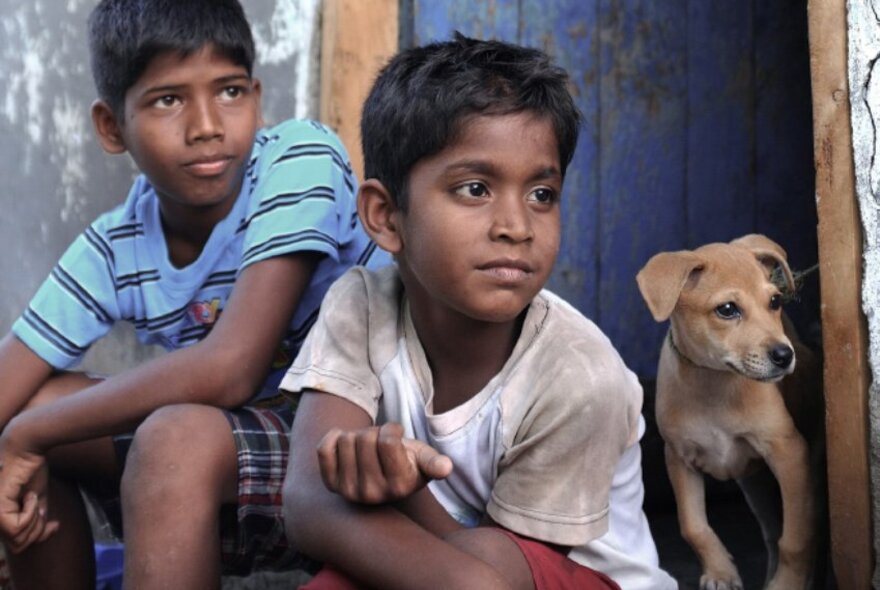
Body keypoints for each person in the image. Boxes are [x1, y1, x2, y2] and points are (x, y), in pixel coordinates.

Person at [0, 0, 388, 588]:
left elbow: (231, 369)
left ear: (256, 96)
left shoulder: (298, 159)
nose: (207, 124)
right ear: (111, 127)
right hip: (234, 457)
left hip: (363, 445)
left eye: (230, 91)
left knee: (144, 437)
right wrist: (16, 439)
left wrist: (27, 434)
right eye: (168, 99)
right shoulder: (115, 248)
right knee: (30, 413)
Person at [281, 33, 677, 590]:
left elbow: (494, 570)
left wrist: (401, 491)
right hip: (447, 561)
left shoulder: (582, 376)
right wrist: (373, 491)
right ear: (386, 216)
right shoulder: (361, 305)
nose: (517, 226)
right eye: (475, 188)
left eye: (542, 194)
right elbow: (306, 502)